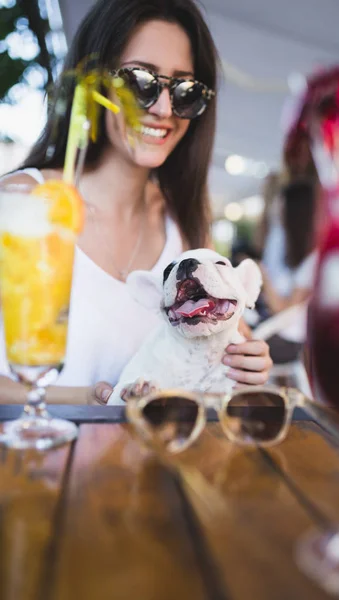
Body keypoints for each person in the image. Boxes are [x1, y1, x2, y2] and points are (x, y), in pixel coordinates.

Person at [0, 0, 272, 405]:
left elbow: (230, 348)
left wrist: (250, 364)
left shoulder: (186, 226)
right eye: (140, 81)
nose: (164, 109)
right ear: (96, 84)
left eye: (185, 90)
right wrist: (92, 399)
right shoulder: (20, 201)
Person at [257, 179, 318, 363]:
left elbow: (281, 309)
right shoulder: (295, 254)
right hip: (278, 332)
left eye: (282, 208)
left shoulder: (312, 261)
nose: (279, 213)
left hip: (290, 341)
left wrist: (263, 275)